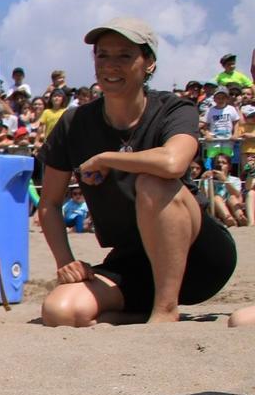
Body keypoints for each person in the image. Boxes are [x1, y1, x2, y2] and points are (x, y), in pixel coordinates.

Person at [37, 17, 236, 326]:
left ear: (149, 63)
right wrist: (66, 261)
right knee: (60, 311)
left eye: (124, 56)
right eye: (103, 55)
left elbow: (173, 163)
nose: (110, 65)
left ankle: (165, 311)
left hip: (199, 257)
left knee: (154, 183)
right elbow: (48, 203)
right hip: (132, 259)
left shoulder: (174, 108)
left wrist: (106, 158)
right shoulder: (73, 123)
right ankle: (138, 313)